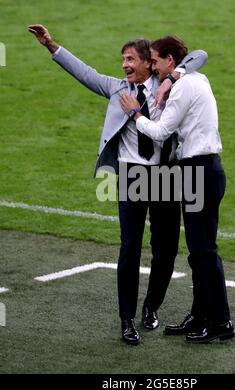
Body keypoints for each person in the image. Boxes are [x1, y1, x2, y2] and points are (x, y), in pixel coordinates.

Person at [28, 25, 208, 345]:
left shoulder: (169, 85)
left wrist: (173, 75)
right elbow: (84, 72)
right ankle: (127, 319)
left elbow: (200, 56)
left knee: (165, 249)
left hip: (167, 175)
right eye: (122, 59)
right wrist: (50, 45)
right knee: (130, 247)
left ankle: (151, 308)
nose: (124, 65)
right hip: (133, 176)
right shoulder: (116, 89)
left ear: (148, 63)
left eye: (130, 59)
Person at [120, 35, 235, 344]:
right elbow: (199, 55)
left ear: (170, 60)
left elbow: (160, 132)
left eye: (156, 61)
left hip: (198, 170)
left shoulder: (182, 86)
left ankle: (219, 322)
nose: (154, 67)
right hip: (205, 169)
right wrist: (173, 76)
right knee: (200, 252)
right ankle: (200, 317)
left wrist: (135, 113)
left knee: (204, 252)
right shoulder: (195, 77)